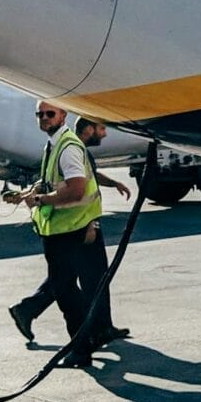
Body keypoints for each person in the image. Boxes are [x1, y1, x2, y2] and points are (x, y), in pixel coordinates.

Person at [4, 101, 108, 368]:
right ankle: (86, 340)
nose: (44, 118)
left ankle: (84, 346)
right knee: (67, 289)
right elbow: (55, 183)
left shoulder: (68, 148)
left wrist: (40, 200)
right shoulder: (54, 145)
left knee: (67, 291)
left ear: (64, 115)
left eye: (50, 114)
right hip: (64, 230)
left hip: (71, 230)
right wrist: (27, 195)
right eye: (40, 114)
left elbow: (76, 190)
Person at [74, 116, 132, 344]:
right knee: (93, 278)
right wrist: (91, 224)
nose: (105, 134)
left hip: (79, 224)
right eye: (101, 129)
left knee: (86, 277)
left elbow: (91, 175)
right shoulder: (76, 151)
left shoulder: (77, 150)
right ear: (88, 129)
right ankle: (96, 330)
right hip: (84, 224)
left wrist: (114, 183)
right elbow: (80, 189)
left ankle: (100, 327)